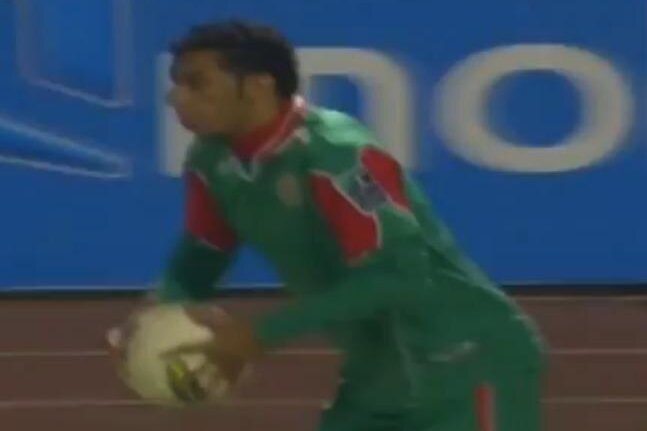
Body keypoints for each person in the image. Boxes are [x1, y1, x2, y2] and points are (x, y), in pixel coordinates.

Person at [121, 19, 546, 430]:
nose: (175, 98)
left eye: (196, 83)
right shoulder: (211, 160)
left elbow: (399, 276)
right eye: (176, 84)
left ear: (257, 86)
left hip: (468, 365)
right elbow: (206, 249)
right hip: (376, 381)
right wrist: (159, 311)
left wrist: (258, 336)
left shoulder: (338, 155)